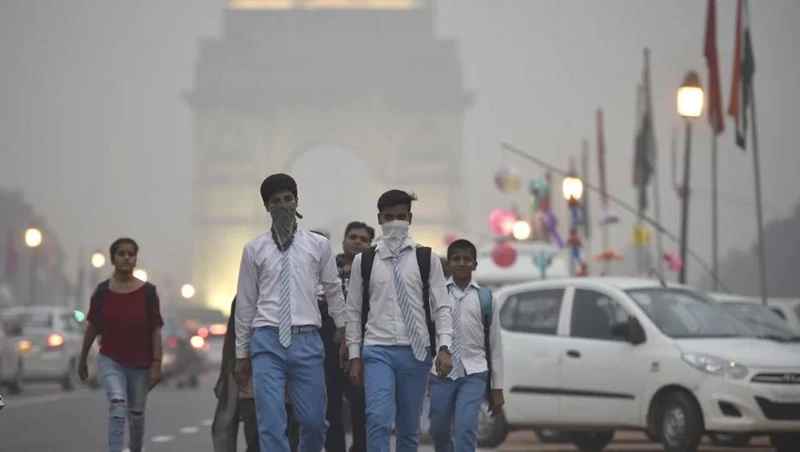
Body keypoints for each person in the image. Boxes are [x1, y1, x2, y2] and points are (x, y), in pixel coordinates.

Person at [234, 173, 346, 452]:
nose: (283, 204)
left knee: (314, 422)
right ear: (267, 207)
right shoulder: (253, 249)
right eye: (276, 201)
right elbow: (246, 302)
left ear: (297, 201)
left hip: (307, 339)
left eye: (288, 198)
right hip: (266, 339)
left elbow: (333, 289)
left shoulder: (318, 246)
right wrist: (241, 354)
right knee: (271, 423)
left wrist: (344, 331)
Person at [345, 189, 454, 452]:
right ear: (379, 219)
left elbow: (441, 306)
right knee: (378, 419)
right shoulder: (365, 261)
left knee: (408, 427)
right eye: (389, 217)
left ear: (410, 218)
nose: (395, 222)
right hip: (377, 349)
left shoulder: (426, 259)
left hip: (415, 352)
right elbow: (353, 310)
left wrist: (444, 347)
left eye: (401, 217)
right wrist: (354, 355)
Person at [77, 237, 164, 452]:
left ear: (135, 259)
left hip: (141, 364)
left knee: (136, 414)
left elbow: (155, 331)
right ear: (112, 259)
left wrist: (156, 364)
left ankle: (136, 448)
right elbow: (92, 327)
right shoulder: (102, 292)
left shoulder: (148, 293)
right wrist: (82, 360)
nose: (126, 258)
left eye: (131, 254)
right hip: (111, 360)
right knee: (117, 405)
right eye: (121, 254)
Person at [428, 239, 505, 452]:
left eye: (467, 259)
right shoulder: (437, 294)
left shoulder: (485, 298)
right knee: (438, 429)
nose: (462, 263)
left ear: (475, 264)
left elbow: (495, 346)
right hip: (441, 374)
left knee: (466, 427)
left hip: (474, 372)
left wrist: (497, 387)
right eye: (456, 259)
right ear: (449, 264)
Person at [325, 222, 374, 452]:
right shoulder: (325, 269)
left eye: (364, 239)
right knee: (330, 408)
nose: (357, 241)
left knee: (362, 409)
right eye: (353, 236)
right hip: (328, 351)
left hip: (362, 352)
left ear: (370, 246)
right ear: (343, 241)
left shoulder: (375, 273)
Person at [212, 296, 260, 452]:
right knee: (252, 434)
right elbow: (231, 342)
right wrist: (225, 376)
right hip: (247, 377)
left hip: (284, 380)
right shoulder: (244, 297)